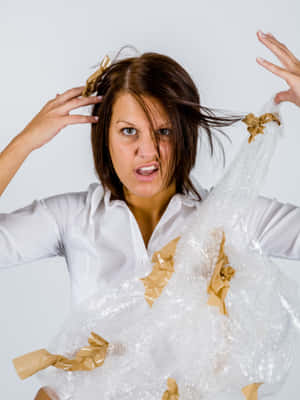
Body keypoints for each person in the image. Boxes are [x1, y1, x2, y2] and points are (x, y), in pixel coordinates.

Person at [0, 31, 299, 400]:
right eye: (129, 132)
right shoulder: (74, 218)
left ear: (184, 134)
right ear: (104, 137)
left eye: (163, 131)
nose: (148, 150)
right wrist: (23, 143)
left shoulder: (228, 216)